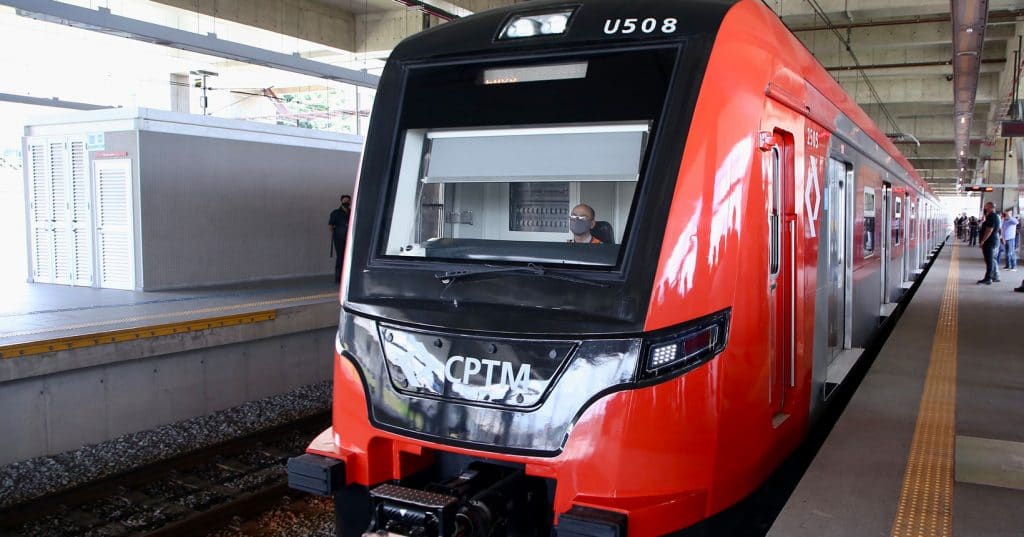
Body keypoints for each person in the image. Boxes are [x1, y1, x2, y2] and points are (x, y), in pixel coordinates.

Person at [329, 194, 352, 283]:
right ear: (341, 201)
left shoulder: (352, 212)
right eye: (344, 200)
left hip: (350, 239)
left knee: (349, 257)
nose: (346, 202)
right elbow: (330, 225)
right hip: (339, 239)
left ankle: (348, 277)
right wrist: (336, 234)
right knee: (340, 257)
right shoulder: (335, 213)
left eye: (348, 200)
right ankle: (338, 278)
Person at [977, 202, 1001, 284]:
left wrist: (983, 240)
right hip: (992, 241)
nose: (985, 208)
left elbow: (989, 230)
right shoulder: (994, 216)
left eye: (986, 207)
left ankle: (988, 278)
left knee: (989, 260)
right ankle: (993, 276)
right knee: (990, 260)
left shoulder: (992, 216)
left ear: (990, 207)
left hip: (989, 242)